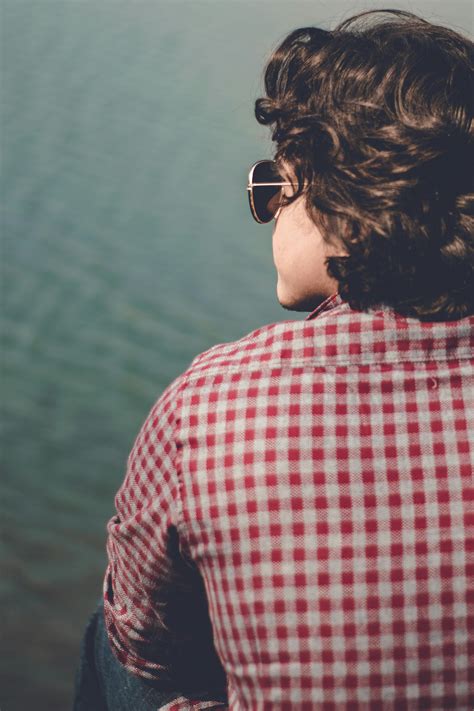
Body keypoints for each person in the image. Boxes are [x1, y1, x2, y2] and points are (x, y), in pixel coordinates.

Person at [73, 8, 474, 710]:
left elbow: (143, 643)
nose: (268, 210)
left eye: (273, 183)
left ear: (330, 192)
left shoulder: (213, 403)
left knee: (109, 641)